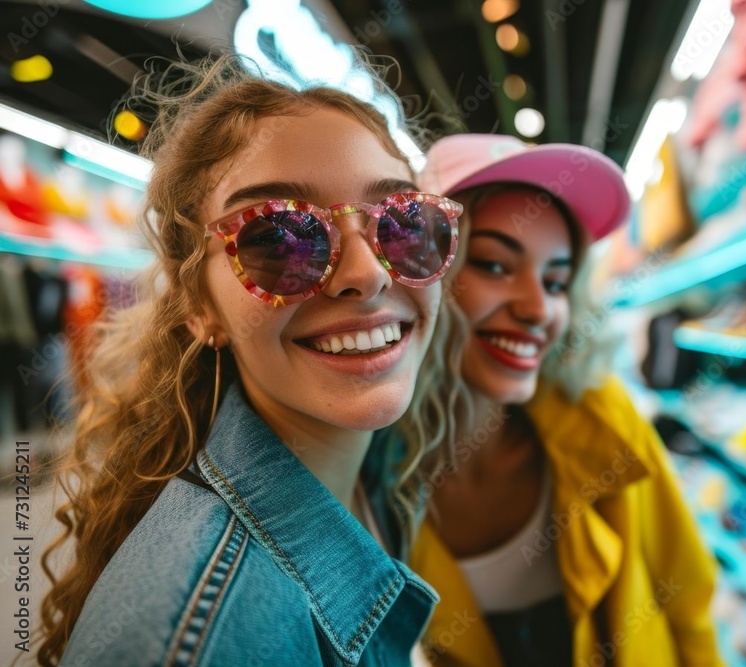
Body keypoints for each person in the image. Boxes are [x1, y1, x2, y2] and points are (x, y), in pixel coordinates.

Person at [38, 56, 466, 666]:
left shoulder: (384, 466)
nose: (367, 274)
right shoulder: (205, 640)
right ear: (199, 306)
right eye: (277, 238)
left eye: (402, 223)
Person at [406, 134, 723, 667]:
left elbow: (688, 597)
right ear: (419, 272)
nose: (538, 309)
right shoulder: (369, 467)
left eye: (555, 281)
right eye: (495, 265)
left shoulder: (604, 416)